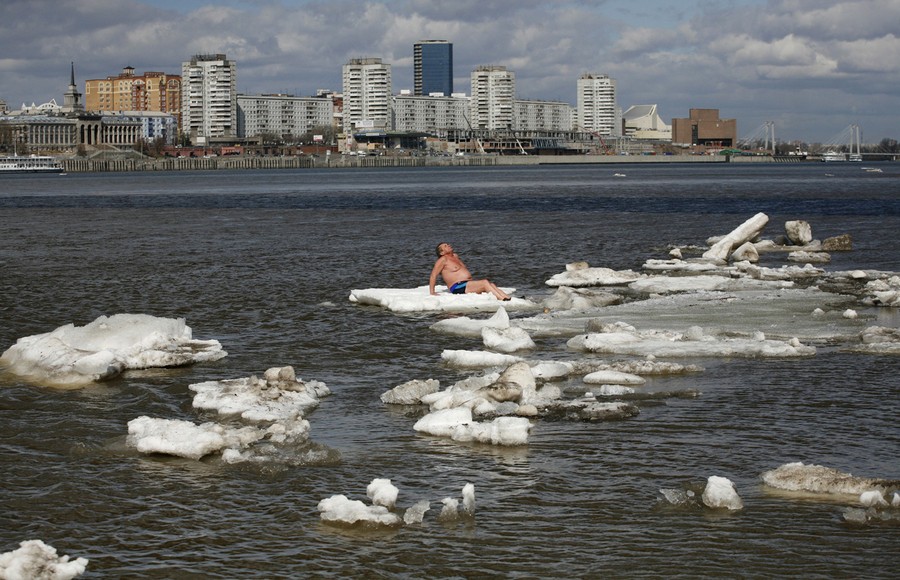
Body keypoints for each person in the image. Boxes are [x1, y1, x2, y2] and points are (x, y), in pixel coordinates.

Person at [429, 242, 511, 300]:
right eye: (445, 246)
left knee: (491, 284)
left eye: (448, 244)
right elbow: (433, 275)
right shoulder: (442, 260)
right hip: (457, 287)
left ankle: (508, 298)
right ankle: (502, 299)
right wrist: (432, 292)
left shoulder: (455, 256)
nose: (449, 245)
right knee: (484, 282)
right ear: (442, 252)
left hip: (465, 284)